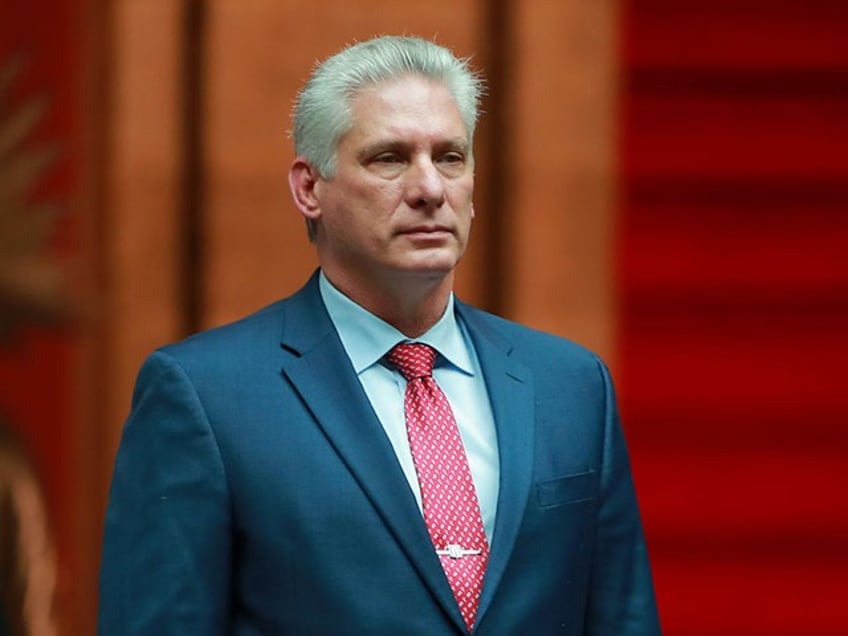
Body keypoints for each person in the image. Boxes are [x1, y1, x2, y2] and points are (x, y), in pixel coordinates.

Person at [98, 35, 660, 635]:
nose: (429, 189)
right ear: (309, 189)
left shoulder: (571, 386)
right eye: (389, 158)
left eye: (450, 157)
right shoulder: (205, 396)